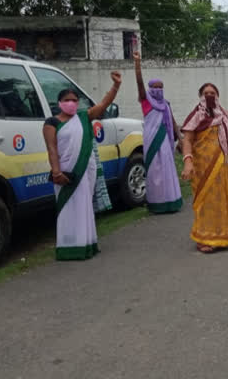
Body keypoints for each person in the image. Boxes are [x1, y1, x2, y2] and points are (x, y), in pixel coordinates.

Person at [43, 71, 122, 260]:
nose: (71, 103)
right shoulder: (51, 122)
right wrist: (56, 171)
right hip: (64, 173)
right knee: (67, 209)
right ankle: (68, 246)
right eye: (67, 100)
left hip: (84, 171)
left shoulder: (83, 117)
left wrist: (116, 86)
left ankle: (87, 245)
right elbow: (52, 148)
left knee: (84, 206)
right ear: (60, 102)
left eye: (74, 100)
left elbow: (103, 104)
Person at [181, 83, 228, 253]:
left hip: (222, 167)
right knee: (205, 201)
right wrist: (187, 161)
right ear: (200, 96)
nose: (209, 95)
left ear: (218, 96)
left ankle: (224, 235)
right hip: (202, 167)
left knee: (221, 200)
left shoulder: (226, 117)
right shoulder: (196, 116)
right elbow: (187, 140)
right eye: (205, 93)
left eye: (213, 93)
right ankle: (204, 238)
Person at [133, 51, 183, 214]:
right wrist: (137, 64)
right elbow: (139, 83)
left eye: (160, 87)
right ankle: (156, 203)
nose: (158, 90)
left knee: (168, 170)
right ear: (149, 88)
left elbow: (174, 122)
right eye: (154, 87)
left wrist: (180, 139)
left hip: (166, 141)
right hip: (152, 140)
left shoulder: (166, 104)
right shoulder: (146, 100)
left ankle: (171, 201)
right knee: (155, 171)